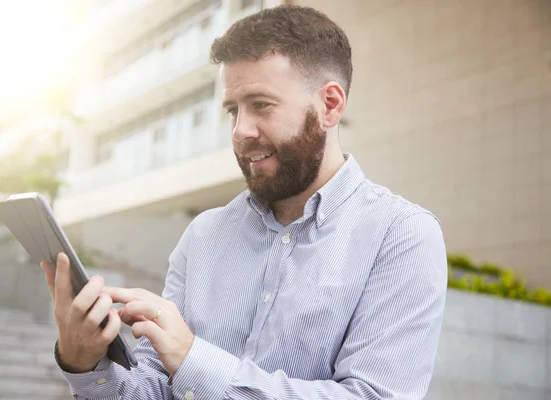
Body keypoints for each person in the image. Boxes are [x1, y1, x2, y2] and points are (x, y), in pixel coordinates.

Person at [41, 4, 448, 400]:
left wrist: (192, 359)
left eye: (261, 105)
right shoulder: (203, 235)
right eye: (232, 110)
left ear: (330, 105)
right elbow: (152, 389)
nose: (240, 131)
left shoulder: (402, 235)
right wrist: (85, 363)